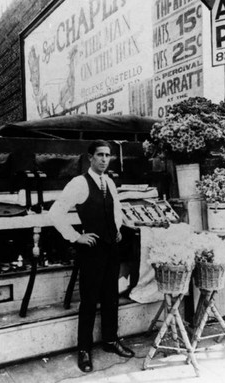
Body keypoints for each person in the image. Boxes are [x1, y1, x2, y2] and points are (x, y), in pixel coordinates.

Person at [48, 140, 135, 373]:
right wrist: (76, 236)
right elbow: (55, 213)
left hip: (110, 248)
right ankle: (84, 350)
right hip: (92, 251)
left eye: (108, 155)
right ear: (90, 158)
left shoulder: (109, 182)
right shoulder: (79, 183)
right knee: (88, 301)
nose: (105, 160)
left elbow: (116, 209)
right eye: (100, 155)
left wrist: (116, 229)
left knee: (111, 297)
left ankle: (110, 340)